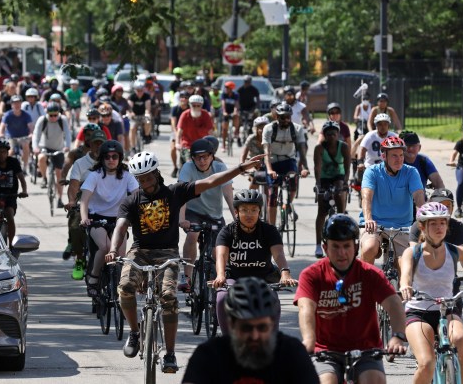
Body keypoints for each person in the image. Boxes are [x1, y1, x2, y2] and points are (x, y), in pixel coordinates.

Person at [105, 151, 265, 373]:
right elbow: (121, 226)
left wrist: (239, 169)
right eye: (141, 179)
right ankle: (134, 332)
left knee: (169, 297)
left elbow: (210, 181)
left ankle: (170, 354)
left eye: (148, 177)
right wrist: (114, 249)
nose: (146, 183)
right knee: (125, 287)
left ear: (156, 174)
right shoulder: (131, 200)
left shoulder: (175, 192)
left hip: (168, 252)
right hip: (140, 251)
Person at [295, 214, 407, 384]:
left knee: (373, 381)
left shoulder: (370, 274)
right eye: (335, 247)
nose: (342, 253)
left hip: (366, 351)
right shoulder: (312, 275)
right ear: (325, 247)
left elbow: (394, 304)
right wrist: (309, 340)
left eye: (347, 246)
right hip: (326, 352)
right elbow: (306, 308)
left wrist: (398, 336)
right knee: (325, 381)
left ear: (356, 247)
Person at [182, 277, 318, 384]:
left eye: (262, 327)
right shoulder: (208, 356)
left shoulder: (292, 353)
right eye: (246, 328)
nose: (254, 335)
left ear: (272, 324)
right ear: (231, 324)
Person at [399, 202, 463, 384]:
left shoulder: (454, 251)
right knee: (427, 363)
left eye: (442, 223)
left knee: (461, 339)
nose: (439, 227)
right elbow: (405, 275)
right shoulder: (412, 253)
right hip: (419, 313)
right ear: (422, 226)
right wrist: (405, 286)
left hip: (448, 310)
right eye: (433, 223)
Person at [213, 189, 296, 335]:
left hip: (263, 278)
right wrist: (220, 276)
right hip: (234, 277)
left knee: (273, 300)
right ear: (237, 212)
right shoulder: (227, 231)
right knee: (222, 299)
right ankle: (228, 340)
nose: (249, 214)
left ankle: (272, 339)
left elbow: (279, 254)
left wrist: (285, 273)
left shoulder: (269, 230)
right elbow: (221, 255)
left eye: (253, 210)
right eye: (244, 210)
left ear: (259, 211)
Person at [80, 140, 138, 297]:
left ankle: (119, 285)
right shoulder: (95, 175)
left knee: (120, 255)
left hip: (119, 220)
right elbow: (84, 199)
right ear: (102, 159)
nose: (111, 160)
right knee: (105, 247)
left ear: (120, 158)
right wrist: (84, 218)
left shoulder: (127, 176)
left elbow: (137, 197)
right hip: (97, 219)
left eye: (115, 156)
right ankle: (93, 277)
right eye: (107, 157)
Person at [177, 138, 234, 292]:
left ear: (212, 156)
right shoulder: (188, 168)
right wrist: (182, 219)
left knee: (218, 252)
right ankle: (187, 277)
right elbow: (181, 194)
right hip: (193, 212)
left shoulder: (220, 167)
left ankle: (217, 281)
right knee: (192, 236)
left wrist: (237, 219)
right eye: (198, 157)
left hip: (214, 215)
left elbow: (229, 195)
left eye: (205, 156)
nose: (202, 161)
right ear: (192, 158)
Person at [360, 136, 425, 265]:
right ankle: (364, 282)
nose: (399, 159)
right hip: (375, 224)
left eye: (401, 155)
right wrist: (368, 219)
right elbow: (367, 197)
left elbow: (418, 196)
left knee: (405, 265)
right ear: (384, 156)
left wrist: (422, 220)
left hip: (402, 226)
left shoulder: (411, 172)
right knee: (369, 248)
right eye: (394, 156)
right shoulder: (372, 172)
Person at [64, 128, 107, 280]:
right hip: (84, 201)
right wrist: (72, 201)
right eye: (95, 143)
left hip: (105, 203)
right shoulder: (80, 163)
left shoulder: (110, 161)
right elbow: (74, 185)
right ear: (89, 144)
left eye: (101, 144)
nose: (98, 147)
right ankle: (80, 258)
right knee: (76, 226)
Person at [262, 103, 309, 228]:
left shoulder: (297, 129)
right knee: (272, 194)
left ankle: (287, 205)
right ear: (277, 117)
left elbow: (302, 150)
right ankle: (271, 228)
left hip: (289, 161)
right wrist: (270, 170)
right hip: (272, 161)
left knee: (293, 182)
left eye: (288, 117)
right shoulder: (268, 129)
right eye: (283, 117)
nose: (286, 120)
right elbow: (266, 152)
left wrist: (305, 168)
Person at [313, 121, 351, 259]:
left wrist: (346, 183)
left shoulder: (344, 147)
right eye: (328, 133)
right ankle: (318, 244)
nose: (331, 136)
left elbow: (347, 167)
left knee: (340, 195)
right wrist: (318, 185)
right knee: (322, 210)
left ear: (338, 134)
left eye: (334, 133)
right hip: (324, 178)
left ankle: (341, 236)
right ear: (324, 135)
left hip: (338, 177)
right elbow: (317, 168)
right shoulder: (319, 148)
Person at [32, 102, 71, 206]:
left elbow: (67, 133)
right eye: (51, 115)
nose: (53, 117)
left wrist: (67, 146)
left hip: (58, 148)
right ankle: (44, 178)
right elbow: (36, 134)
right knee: (41, 158)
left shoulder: (63, 120)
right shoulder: (42, 120)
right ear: (47, 113)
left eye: (55, 115)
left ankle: (59, 199)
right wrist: (35, 147)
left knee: (59, 174)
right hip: (44, 147)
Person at [0, 95, 33, 173]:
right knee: (10, 151)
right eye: (14, 103)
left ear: (21, 104)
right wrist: (0, 133)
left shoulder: (26, 115)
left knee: (26, 146)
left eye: (18, 103)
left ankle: (25, 166)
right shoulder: (7, 115)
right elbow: (2, 126)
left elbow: (30, 127)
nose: (17, 105)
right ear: (11, 104)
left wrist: (31, 133)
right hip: (11, 137)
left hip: (23, 137)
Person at [176, 95, 214, 160]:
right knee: (189, 162)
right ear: (190, 105)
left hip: (202, 145)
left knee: (209, 163)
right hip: (187, 145)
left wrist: (212, 145)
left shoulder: (205, 115)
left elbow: (210, 132)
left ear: (201, 106)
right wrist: (177, 143)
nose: (196, 107)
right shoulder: (185, 115)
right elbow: (179, 131)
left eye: (198, 106)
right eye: (194, 105)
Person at [447, 122, 463, 218]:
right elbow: (454, 153)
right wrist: (451, 161)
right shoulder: (461, 143)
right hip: (461, 166)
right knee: (461, 183)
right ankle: (459, 208)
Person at [241, 116, 268, 190]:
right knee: (255, 180)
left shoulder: (270, 138)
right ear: (255, 128)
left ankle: (269, 201)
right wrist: (242, 166)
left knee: (268, 185)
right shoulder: (251, 138)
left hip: (266, 163)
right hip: (252, 163)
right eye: (260, 127)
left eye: (264, 127)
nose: (262, 129)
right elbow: (244, 153)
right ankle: (250, 198)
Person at [127, 80, 152, 152]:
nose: (140, 92)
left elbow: (148, 107)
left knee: (148, 121)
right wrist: (131, 113)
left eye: (141, 90)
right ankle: (133, 146)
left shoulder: (146, 96)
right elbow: (129, 108)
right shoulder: (132, 96)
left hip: (143, 114)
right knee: (132, 128)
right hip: (134, 116)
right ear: (135, 90)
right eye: (138, 90)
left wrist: (147, 114)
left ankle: (146, 136)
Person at [170, 94, 189, 178]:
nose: (184, 99)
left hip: (186, 131)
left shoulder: (189, 108)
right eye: (182, 97)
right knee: (173, 148)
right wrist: (175, 132)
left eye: (185, 97)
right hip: (176, 130)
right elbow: (173, 121)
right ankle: (175, 167)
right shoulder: (175, 108)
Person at [220, 81, 240, 150]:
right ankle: (223, 145)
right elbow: (223, 104)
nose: (226, 89)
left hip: (232, 111)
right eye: (225, 87)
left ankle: (236, 131)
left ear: (231, 88)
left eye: (227, 87)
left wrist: (235, 111)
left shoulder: (235, 95)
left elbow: (236, 104)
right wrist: (224, 112)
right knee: (224, 129)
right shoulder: (224, 94)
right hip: (226, 112)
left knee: (237, 116)